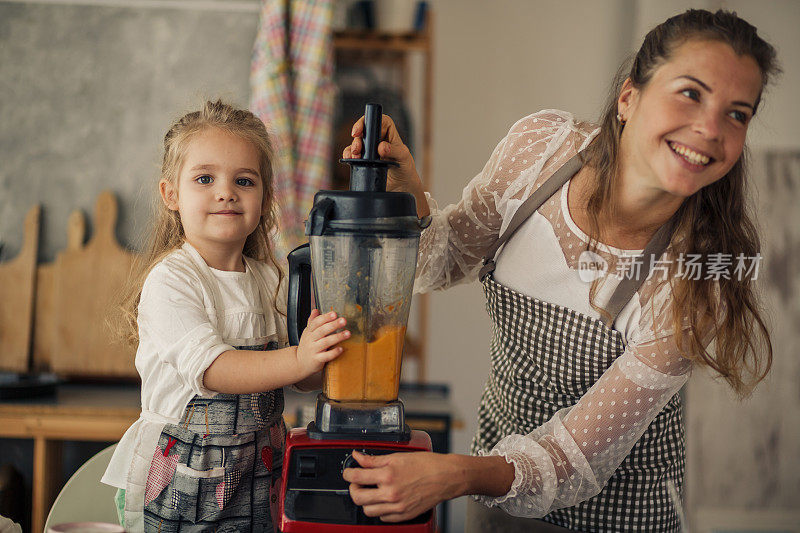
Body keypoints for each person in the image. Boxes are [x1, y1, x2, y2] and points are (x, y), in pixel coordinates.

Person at [341, 9, 778, 533]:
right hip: (492, 492)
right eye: (690, 93)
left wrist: (453, 474)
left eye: (737, 114)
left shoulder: (692, 282)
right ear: (627, 97)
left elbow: (573, 461)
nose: (710, 129)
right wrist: (404, 189)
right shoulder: (541, 152)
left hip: (616, 517)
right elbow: (446, 258)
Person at [101, 100, 350, 532]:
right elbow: (213, 368)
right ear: (171, 195)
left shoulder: (268, 279)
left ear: (264, 199)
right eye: (205, 178)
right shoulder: (172, 280)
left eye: (244, 180)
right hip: (180, 483)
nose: (225, 191)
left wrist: (322, 354)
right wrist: (298, 358)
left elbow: (297, 377)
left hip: (257, 474)